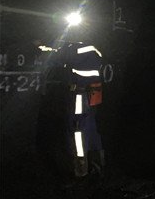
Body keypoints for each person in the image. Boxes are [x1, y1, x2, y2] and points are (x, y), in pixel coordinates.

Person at [39, 41, 105, 183]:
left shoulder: (76, 49)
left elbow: (57, 57)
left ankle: (80, 170)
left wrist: (43, 48)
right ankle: (97, 164)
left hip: (79, 95)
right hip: (92, 94)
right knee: (91, 129)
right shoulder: (93, 47)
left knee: (77, 130)